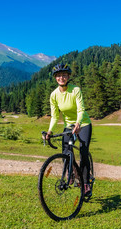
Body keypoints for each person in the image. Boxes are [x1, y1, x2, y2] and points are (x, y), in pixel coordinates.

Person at [45, 63, 92, 196]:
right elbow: (54, 116)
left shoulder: (75, 90)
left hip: (83, 123)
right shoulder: (54, 95)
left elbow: (81, 109)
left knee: (83, 152)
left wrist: (78, 123)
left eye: (64, 75)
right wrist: (50, 131)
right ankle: (72, 173)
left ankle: (86, 183)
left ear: (68, 76)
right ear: (55, 78)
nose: (61, 78)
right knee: (65, 153)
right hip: (69, 125)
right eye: (59, 75)